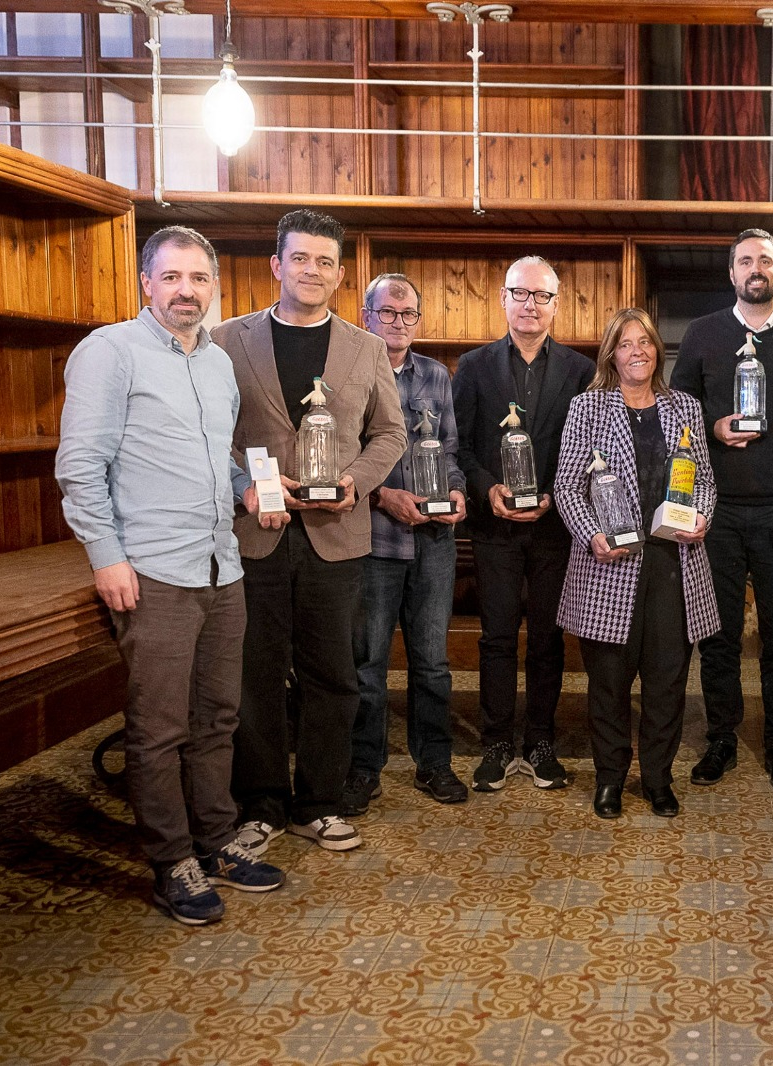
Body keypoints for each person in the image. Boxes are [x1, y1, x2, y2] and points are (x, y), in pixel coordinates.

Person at [56, 226, 285, 924]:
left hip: (221, 565)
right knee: (158, 728)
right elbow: (80, 465)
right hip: (152, 569)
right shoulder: (110, 352)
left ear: (213, 287)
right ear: (146, 283)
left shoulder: (216, 363)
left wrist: (250, 490)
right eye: (172, 277)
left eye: (198, 278)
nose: (186, 290)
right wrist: (106, 556)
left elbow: (220, 458)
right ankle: (171, 861)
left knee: (217, 717)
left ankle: (215, 840)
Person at [215, 209, 408, 856]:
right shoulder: (227, 340)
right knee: (256, 674)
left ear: (341, 274)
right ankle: (261, 804)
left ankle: (319, 803)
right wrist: (249, 482)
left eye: (325, 261)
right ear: (277, 264)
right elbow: (211, 432)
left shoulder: (366, 348)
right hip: (256, 531)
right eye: (300, 258)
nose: (312, 270)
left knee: (333, 674)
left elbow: (390, 434)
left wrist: (358, 481)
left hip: (336, 532)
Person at [671, 229, 773, 792]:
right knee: (716, 637)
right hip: (714, 512)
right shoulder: (702, 333)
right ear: (732, 273)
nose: (755, 268)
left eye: (765, 259)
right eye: (745, 260)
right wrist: (713, 427)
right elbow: (678, 413)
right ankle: (721, 738)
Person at [552, 308, 719, 820]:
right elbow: (567, 486)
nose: (637, 351)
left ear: (656, 350)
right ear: (612, 355)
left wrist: (703, 516)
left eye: (644, 341)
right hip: (609, 565)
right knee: (608, 683)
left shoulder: (684, 407)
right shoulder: (587, 408)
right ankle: (610, 779)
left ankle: (658, 778)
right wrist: (592, 536)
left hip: (674, 563)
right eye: (625, 344)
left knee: (667, 683)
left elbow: (704, 480)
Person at [453, 257, 596, 793]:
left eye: (541, 296)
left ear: (556, 305)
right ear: (503, 298)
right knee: (495, 637)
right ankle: (496, 742)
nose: (530, 304)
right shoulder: (474, 366)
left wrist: (557, 495)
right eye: (520, 293)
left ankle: (540, 742)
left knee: (546, 638)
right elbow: (460, 445)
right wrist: (488, 488)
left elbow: (589, 448)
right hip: (494, 527)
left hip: (554, 527)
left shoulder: (582, 371)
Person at [341, 273, 470, 817]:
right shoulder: (348, 374)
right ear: (366, 316)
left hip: (434, 543)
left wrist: (458, 491)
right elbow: (337, 461)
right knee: (368, 663)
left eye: (408, 313)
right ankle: (363, 767)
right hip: (373, 540)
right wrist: (381, 497)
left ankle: (434, 762)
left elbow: (450, 452)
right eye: (388, 312)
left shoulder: (437, 375)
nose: (399, 322)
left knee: (433, 662)